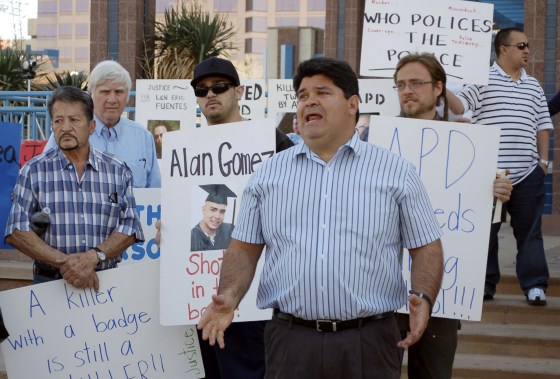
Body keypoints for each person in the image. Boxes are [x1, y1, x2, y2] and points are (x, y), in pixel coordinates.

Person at [198, 57, 444, 379]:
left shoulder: (396, 172)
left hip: (369, 342)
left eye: (323, 92)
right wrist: (228, 295)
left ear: (352, 104)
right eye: (302, 95)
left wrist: (423, 296)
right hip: (291, 341)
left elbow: (426, 246)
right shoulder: (267, 175)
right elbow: (243, 249)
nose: (309, 100)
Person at [154, 57, 294, 379]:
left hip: (253, 296)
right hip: (198, 294)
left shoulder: (272, 142)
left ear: (239, 91)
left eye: (219, 87)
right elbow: (181, 210)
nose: (210, 95)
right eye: (202, 91)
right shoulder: (185, 148)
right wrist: (171, 230)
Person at [392, 53, 513, 379]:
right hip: (384, 294)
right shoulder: (374, 143)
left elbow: (475, 220)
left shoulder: (468, 142)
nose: (407, 91)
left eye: (416, 83)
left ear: (439, 87)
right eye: (401, 84)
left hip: (443, 294)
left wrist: (495, 192)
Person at [447, 28, 553, 305]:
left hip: (528, 173)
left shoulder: (534, 85)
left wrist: (543, 163)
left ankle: (535, 286)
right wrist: (439, 84)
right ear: (503, 49)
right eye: (521, 45)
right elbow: (459, 107)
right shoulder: (482, 81)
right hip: (489, 175)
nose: (527, 50)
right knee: (486, 234)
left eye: (528, 45)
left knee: (530, 232)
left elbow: (543, 125)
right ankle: (484, 285)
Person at [5, 86, 144, 291]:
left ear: (91, 127)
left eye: (74, 120)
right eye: (58, 121)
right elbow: (16, 231)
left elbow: (130, 227)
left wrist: (92, 258)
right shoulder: (33, 171)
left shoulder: (117, 170)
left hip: (106, 285)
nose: (65, 127)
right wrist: (65, 263)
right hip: (49, 284)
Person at [44, 60, 161, 188]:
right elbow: (45, 178)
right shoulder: (67, 134)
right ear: (90, 96)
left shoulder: (143, 137)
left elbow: (155, 190)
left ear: (127, 96)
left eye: (119, 92)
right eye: (105, 92)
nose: (112, 99)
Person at [191, 184, 236, 251]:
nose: (217, 216)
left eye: (222, 211)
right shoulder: (192, 237)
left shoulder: (231, 230)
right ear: (203, 210)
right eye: (213, 210)